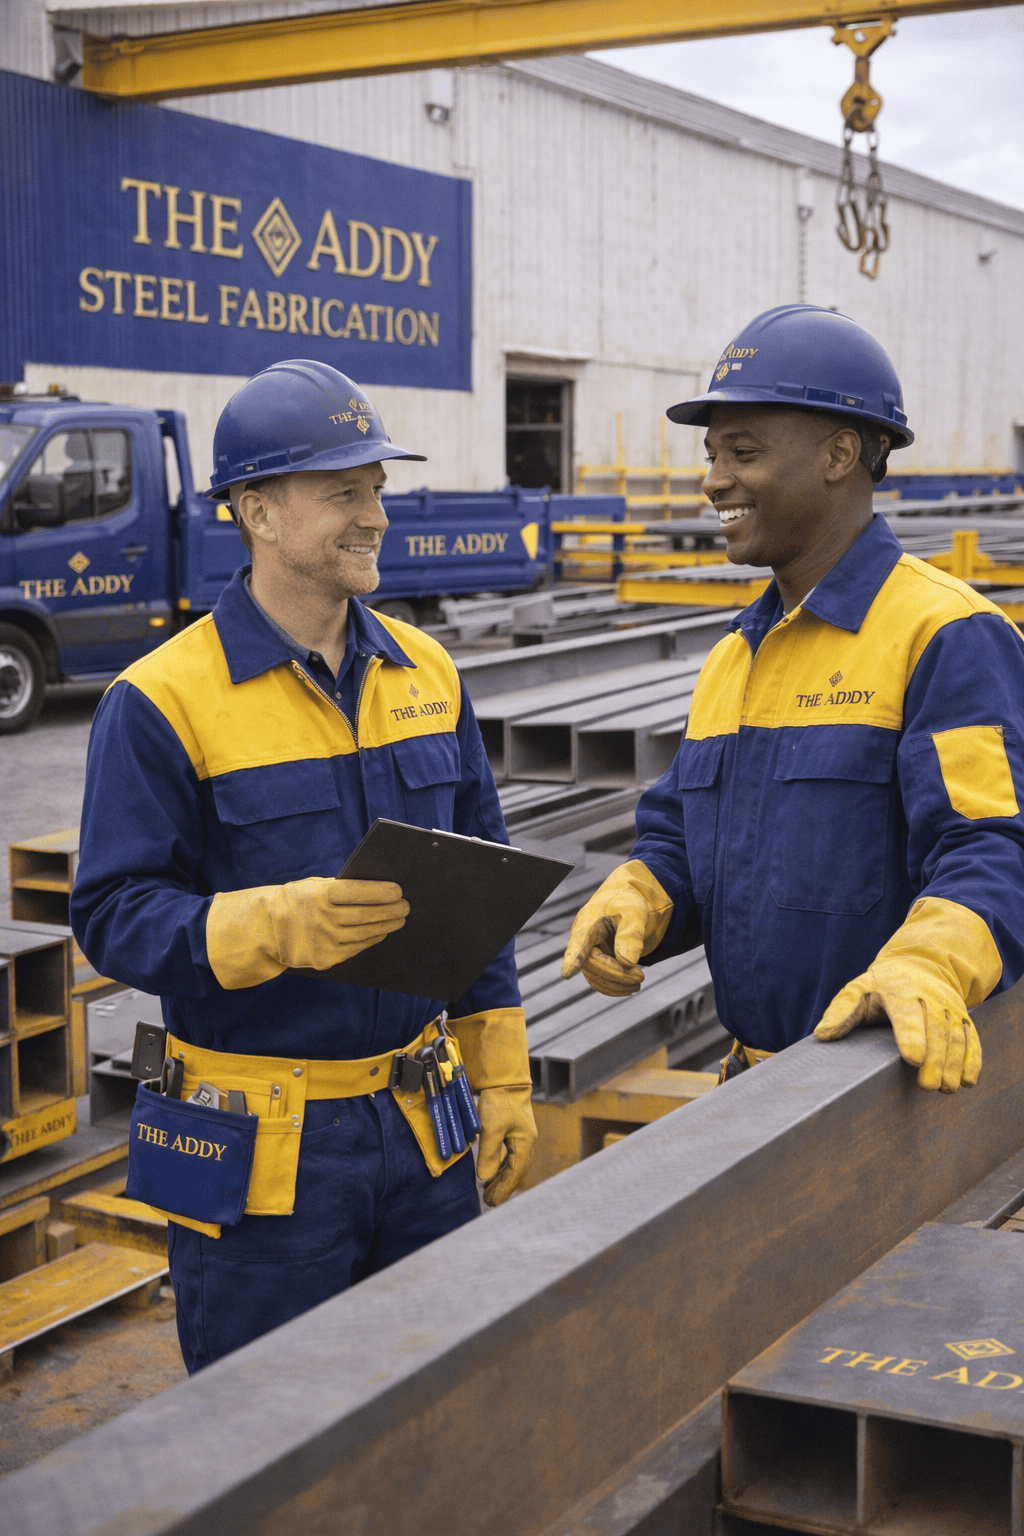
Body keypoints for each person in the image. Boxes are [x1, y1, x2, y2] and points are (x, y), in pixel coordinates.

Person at [71, 360, 536, 1372]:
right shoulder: (162, 701)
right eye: (343, 491)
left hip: (423, 1129)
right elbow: (111, 916)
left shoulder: (429, 672)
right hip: (260, 1156)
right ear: (257, 511)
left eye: (375, 487)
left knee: (436, 1413)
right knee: (269, 1444)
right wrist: (273, 923)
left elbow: (476, 894)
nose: (375, 513)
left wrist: (502, 1080)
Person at [563, 305, 1024, 1094]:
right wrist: (642, 894)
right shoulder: (733, 659)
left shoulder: (942, 634)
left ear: (841, 453)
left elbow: (994, 849)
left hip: (892, 1092)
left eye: (743, 452)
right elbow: (687, 841)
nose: (714, 480)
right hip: (753, 1089)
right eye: (711, 455)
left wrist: (927, 965)